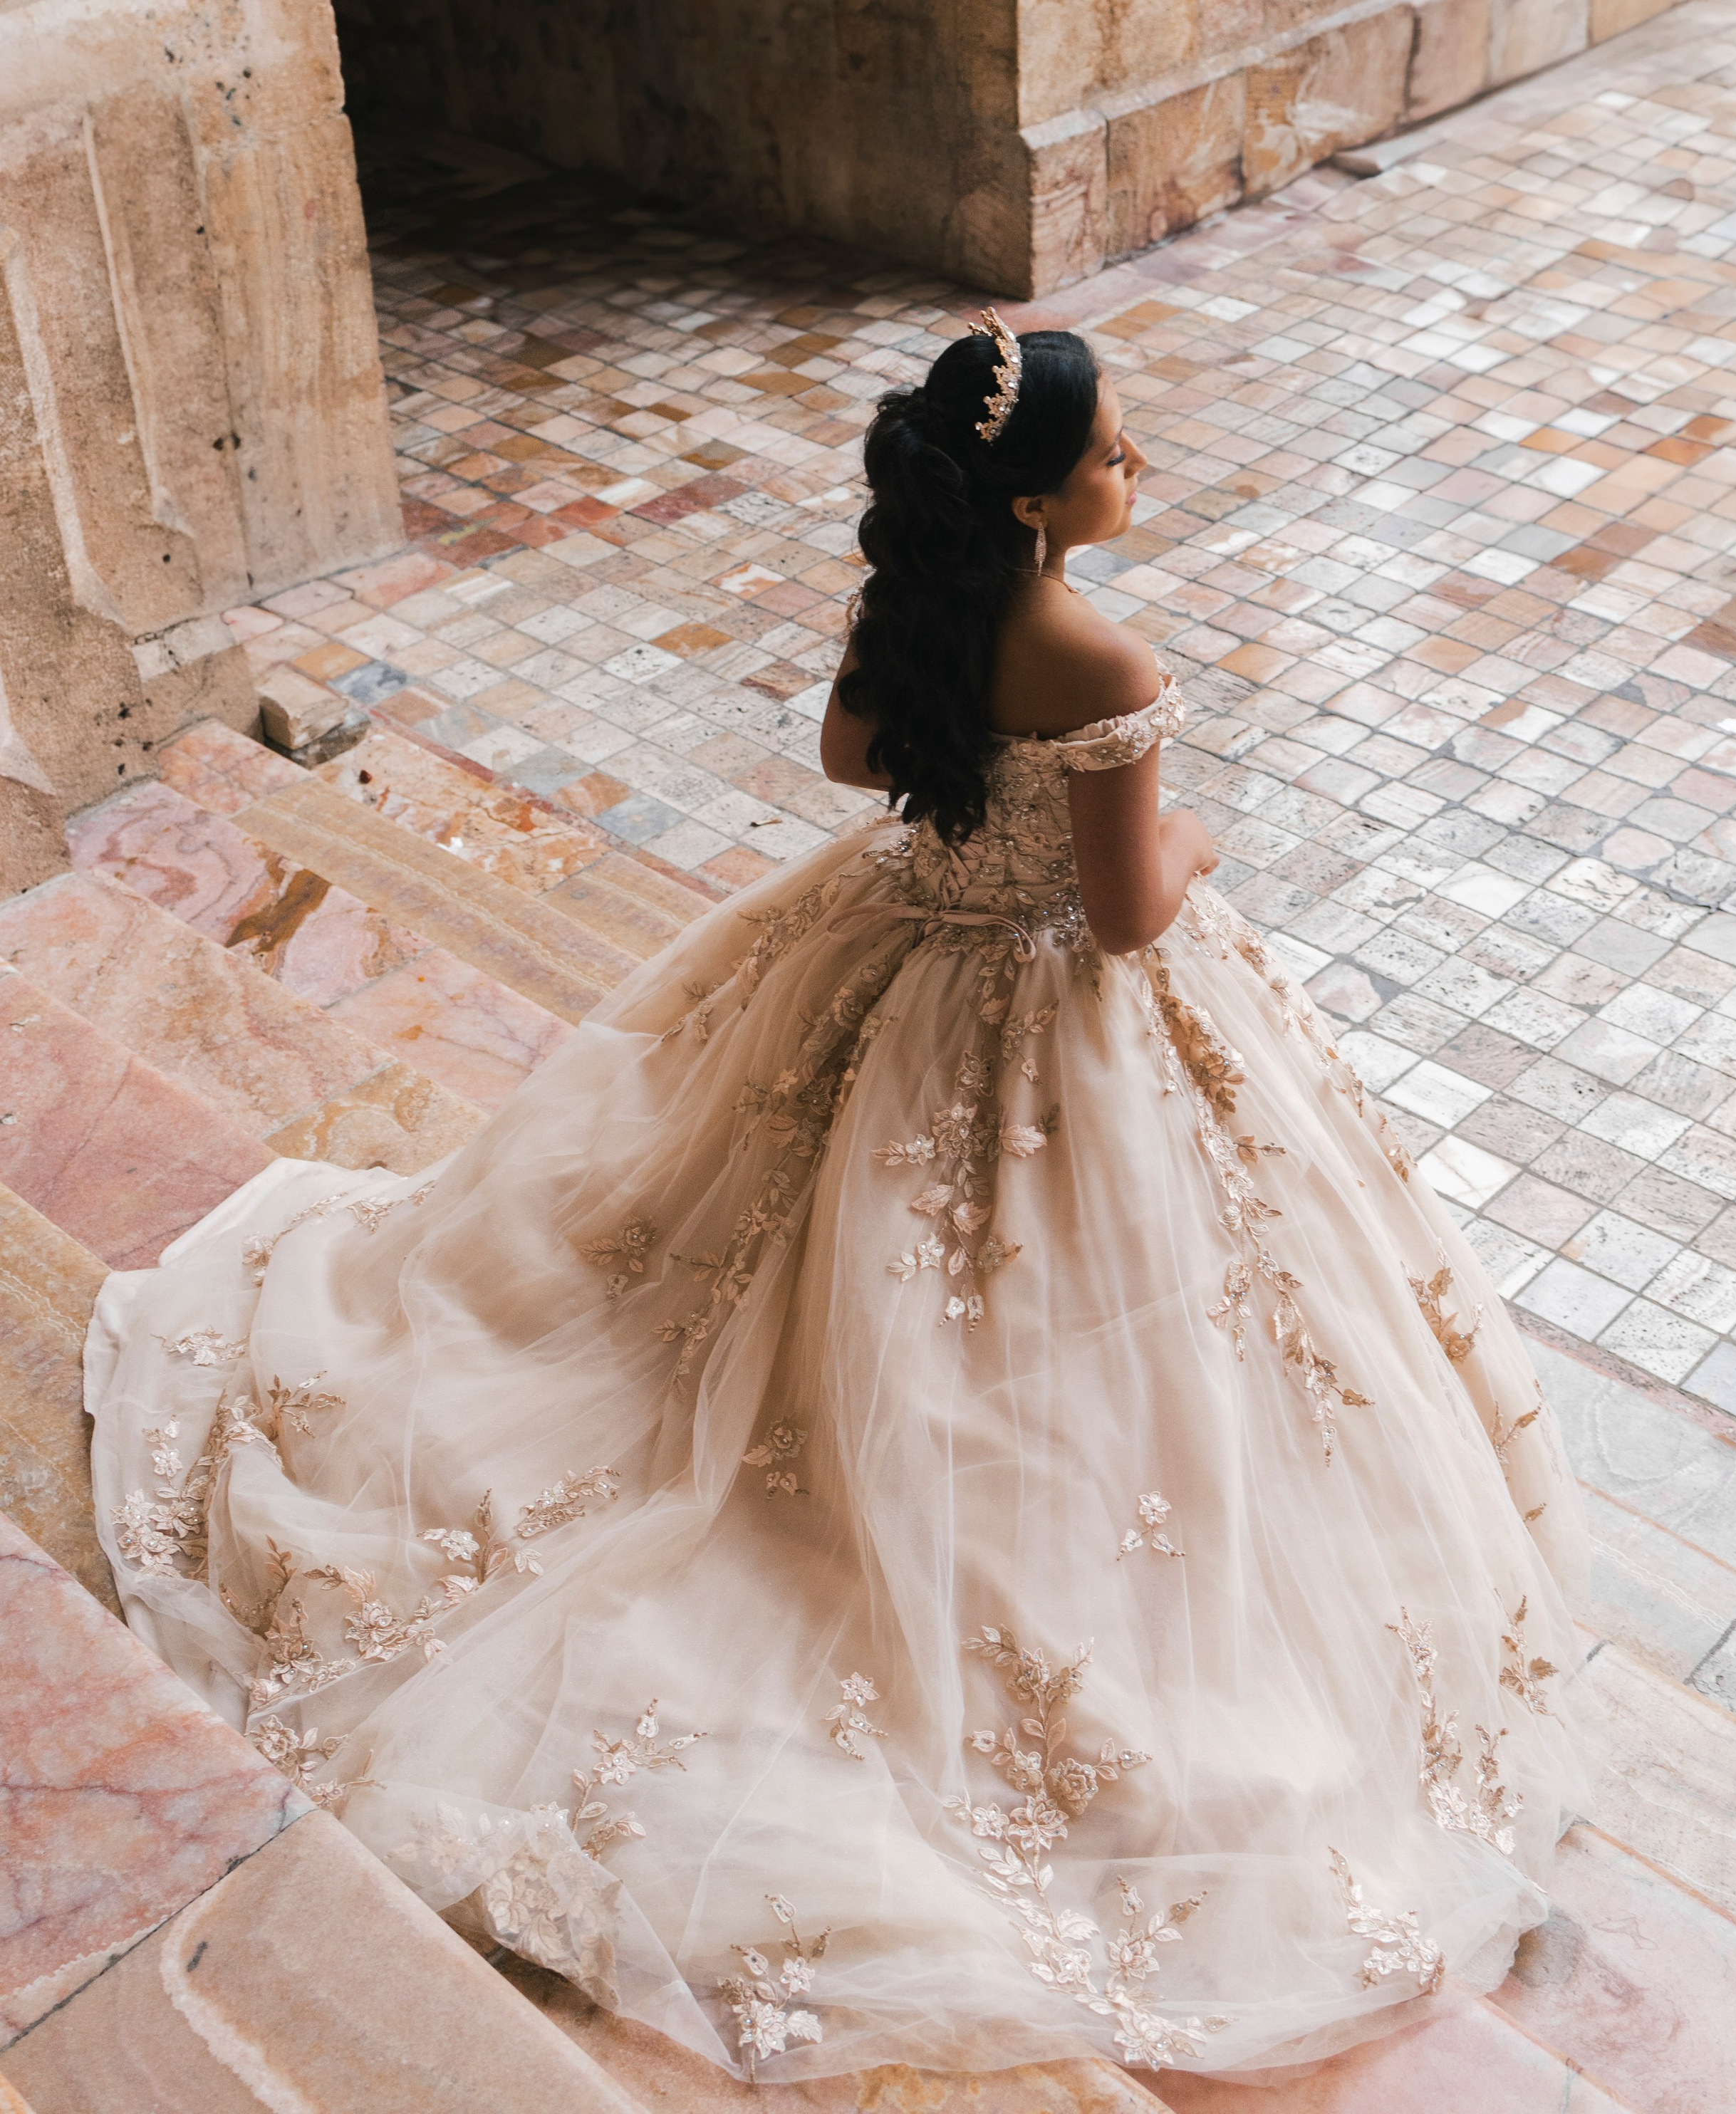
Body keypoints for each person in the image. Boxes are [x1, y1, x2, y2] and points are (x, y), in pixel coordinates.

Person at [88, 316, 1589, 2086]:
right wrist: (1194, 842)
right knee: (1082, 1346)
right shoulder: (1100, 659)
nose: (1138, 475)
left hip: (890, 965)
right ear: (1036, 500)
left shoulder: (925, 605)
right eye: (1116, 458)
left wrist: (976, 811)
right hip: (1056, 1036)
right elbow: (1119, 920)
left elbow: (848, 763)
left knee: (783, 1267)